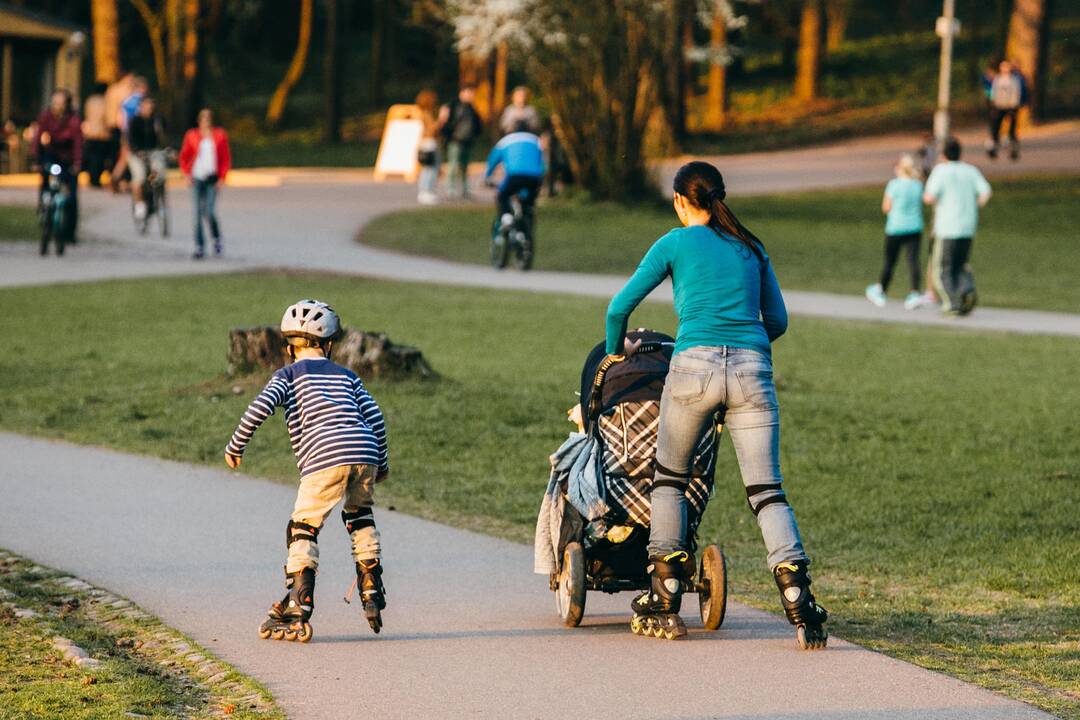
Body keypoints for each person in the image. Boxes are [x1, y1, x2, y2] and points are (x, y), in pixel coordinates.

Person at [604, 161, 828, 648]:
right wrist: (745, 345)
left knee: (669, 480)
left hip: (691, 370)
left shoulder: (675, 243)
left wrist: (613, 351)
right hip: (753, 373)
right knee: (767, 491)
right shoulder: (751, 246)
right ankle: (797, 594)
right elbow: (780, 321)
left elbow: (619, 308)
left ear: (681, 200)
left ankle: (664, 590)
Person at [225, 300, 390, 640]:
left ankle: (300, 602)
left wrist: (236, 446)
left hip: (324, 459)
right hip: (365, 451)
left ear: (289, 348)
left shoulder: (288, 374)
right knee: (359, 515)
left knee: (303, 527)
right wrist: (381, 463)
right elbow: (375, 417)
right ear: (328, 345)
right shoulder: (348, 376)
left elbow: (260, 407)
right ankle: (371, 586)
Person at [923, 138, 992, 316]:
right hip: (967, 226)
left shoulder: (941, 171)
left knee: (943, 268)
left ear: (943, 154)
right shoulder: (971, 171)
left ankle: (952, 302)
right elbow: (985, 192)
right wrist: (974, 204)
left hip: (947, 227)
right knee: (960, 264)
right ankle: (966, 288)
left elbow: (929, 197)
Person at [866, 154, 925, 310]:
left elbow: (886, 207)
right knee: (913, 261)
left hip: (895, 228)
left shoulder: (894, 185)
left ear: (900, 168)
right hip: (915, 227)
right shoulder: (918, 185)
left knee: (890, 261)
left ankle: (881, 290)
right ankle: (915, 292)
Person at [179, 108, 231, 259]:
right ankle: (199, 246)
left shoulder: (219, 135)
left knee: (210, 212)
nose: (206, 122)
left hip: (212, 179)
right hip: (197, 178)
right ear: (199, 120)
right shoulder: (192, 136)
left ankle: (216, 239)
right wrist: (186, 174)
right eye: (203, 118)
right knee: (196, 214)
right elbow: (184, 156)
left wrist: (222, 177)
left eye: (208, 119)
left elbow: (225, 158)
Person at [32, 88, 82, 244]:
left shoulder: (73, 121)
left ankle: (70, 232)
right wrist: (36, 160)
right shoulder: (46, 117)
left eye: (60, 103)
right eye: (54, 103)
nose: (57, 106)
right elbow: (37, 139)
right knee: (46, 183)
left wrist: (77, 164)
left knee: (71, 196)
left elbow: (78, 144)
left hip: (68, 159)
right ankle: (43, 209)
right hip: (51, 156)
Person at [484, 122, 545, 240]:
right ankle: (525, 236)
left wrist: (487, 176)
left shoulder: (506, 140)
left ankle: (506, 218)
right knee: (527, 204)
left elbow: (492, 160)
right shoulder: (536, 141)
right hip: (534, 178)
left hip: (514, 176)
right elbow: (542, 162)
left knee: (502, 196)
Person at [439, 85, 482, 200]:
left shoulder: (471, 108)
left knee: (464, 167)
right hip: (455, 140)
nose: (471, 96)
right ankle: (450, 189)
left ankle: (465, 190)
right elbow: (445, 121)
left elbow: (477, 124)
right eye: (469, 93)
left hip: (467, 141)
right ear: (462, 93)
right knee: (453, 165)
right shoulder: (453, 105)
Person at [127, 96, 167, 221]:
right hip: (137, 153)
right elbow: (131, 140)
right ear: (141, 107)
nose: (149, 109)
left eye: (151, 106)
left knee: (157, 174)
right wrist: (136, 151)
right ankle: (139, 204)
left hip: (153, 152)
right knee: (138, 177)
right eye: (146, 106)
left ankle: (154, 193)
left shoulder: (157, 120)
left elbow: (164, 139)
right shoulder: (135, 121)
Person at [985, 59, 1028, 161]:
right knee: (996, 128)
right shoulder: (998, 79)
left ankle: (1013, 149)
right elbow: (993, 92)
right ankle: (993, 147)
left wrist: (1014, 105)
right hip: (999, 106)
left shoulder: (1014, 80)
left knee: (1012, 130)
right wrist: (993, 103)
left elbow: (1016, 93)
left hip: (1011, 106)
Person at [109, 74, 146, 192]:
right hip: (132, 134)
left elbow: (121, 119)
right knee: (127, 158)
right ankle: (116, 180)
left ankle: (116, 180)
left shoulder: (127, 100)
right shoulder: (138, 101)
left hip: (125, 132)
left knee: (124, 158)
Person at [81, 83, 111, 188]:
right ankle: (95, 179)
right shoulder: (105, 101)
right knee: (99, 158)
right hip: (101, 133)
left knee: (91, 157)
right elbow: (106, 117)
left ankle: (92, 178)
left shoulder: (90, 100)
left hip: (89, 132)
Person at [415, 90, 440, 205]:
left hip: (424, 143)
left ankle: (426, 191)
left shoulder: (421, 113)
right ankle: (426, 192)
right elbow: (431, 130)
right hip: (429, 144)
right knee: (430, 169)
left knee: (428, 169)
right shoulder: (426, 115)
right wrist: (441, 120)